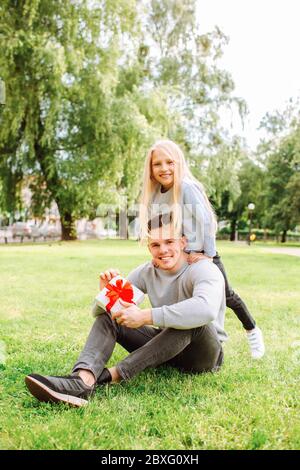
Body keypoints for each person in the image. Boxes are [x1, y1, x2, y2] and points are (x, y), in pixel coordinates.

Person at [25, 212, 226, 407]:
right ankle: (82, 381)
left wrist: (146, 316)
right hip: (166, 351)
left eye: (169, 242)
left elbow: (206, 309)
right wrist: (107, 295)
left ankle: (110, 376)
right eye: (155, 244)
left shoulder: (203, 269)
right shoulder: (146, 272)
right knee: (109, 318)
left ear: (182, 242)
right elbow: (101, 314)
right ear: (149, 248)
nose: (163, 250)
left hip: (202, 356)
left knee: (192, 321)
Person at [139, 139, 265, 359]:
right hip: (178, 255)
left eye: (170, 162)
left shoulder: (186, 187)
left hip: (200, 255)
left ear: (179, 163)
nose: (164, 168)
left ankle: (252, 331)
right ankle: (178, 342)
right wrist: (159, 255)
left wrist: (208, 254)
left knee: (226, 295)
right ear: (150, 168)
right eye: (157, 164)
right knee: (184, 298)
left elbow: (206, 221)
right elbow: (158, 229)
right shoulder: (156, 194)